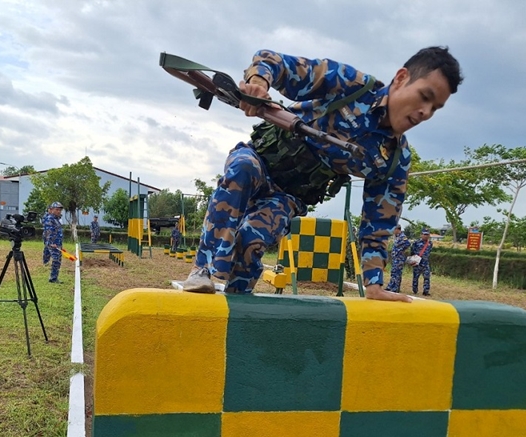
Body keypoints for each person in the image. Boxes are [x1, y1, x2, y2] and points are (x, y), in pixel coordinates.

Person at [180, 47, 462, 300]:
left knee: (252, 241)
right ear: (401, 78)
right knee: (241, 170)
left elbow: (377, 228)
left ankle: (236, 304)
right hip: (258, 160)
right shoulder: (351, 86)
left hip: (288, 196)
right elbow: (274, 62)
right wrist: (258, 84)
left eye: (435, 108)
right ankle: (203, 271)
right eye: (425, 97)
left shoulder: (394, 160)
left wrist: (374, 285)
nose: (425, 112)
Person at [42, 201, 64, 283]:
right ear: (52, 210)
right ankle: (53, 278)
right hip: (53, 244)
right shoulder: (50, 219)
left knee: (57, 259)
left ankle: (53, 276)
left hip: (57, 243)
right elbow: (48, 232)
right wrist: (51, 243)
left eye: (60, 210)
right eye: (57, 209)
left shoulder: (56, 219)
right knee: (56, 260)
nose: (59, 211)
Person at [385, 224, 410, 293]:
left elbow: (408, 244)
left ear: (397, 229)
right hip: (395, 258)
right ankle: (391, 286)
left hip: (399, 258)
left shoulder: (402, 236)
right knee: (393, 272)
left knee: (397, 273)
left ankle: (396, 287)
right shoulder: (396, 237)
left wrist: (400, 250)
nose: (393, 231)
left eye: (394, 230)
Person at [410, 228, 433, 296]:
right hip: (417, 263)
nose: (426, 236)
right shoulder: (416, 242)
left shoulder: (430, 243)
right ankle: (415, 289)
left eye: (427, 234)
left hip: (425, 263)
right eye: (424, 234)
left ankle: (426, 291)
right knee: (415, 277)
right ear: (421, 235)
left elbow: (429, 251)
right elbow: (412, 251)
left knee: (427, 277)